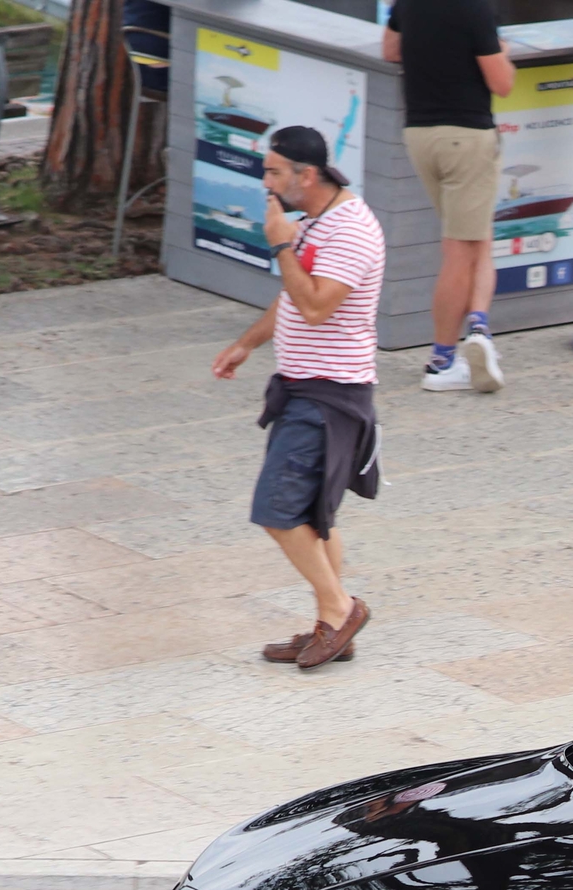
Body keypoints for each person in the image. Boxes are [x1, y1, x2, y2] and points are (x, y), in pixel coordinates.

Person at [210, 126, 382, 670]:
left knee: (277, 510)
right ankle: (332, 627)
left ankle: (341, 609)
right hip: (302, 387)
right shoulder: (316, 221)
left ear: (306, 176)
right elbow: (293, 297)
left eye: (274, 171)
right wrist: (247, 343)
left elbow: (315, 308)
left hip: (331, 395)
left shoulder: (350, 230)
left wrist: (281, 242)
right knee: (314, 515)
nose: (265, 180)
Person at [386, 0, 515, 393]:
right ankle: (441, 361)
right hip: (466, 135)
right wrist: (503, 51)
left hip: (421, 134)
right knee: (461, 250)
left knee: (476, 239)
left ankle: (479, 328)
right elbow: (502, 83)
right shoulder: (475, 8)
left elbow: (391, 50)